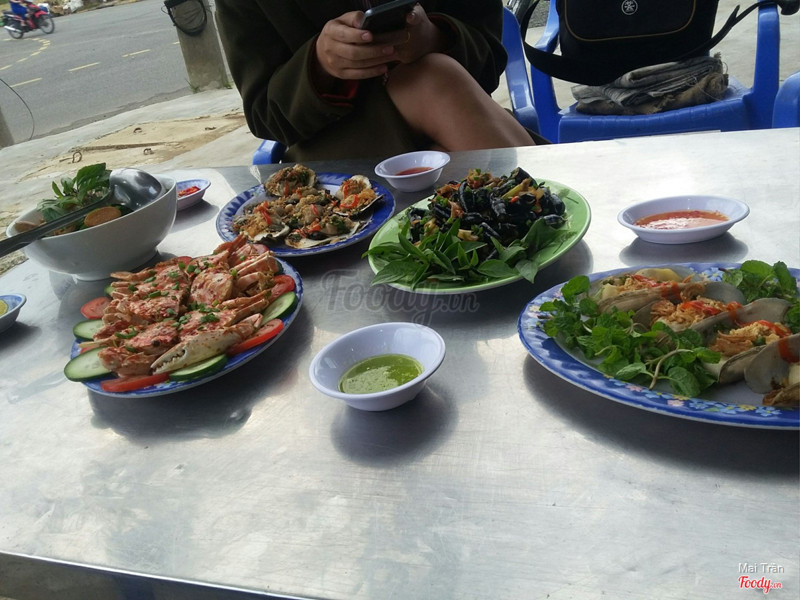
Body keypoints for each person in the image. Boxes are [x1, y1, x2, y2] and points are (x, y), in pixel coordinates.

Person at [215, 0, 540, 162]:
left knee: (434, 84)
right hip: (335, 146)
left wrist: (437, 37)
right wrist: (320, 66)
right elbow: (264, 114)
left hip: (456, 111)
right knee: (434, 82)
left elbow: (490, 60)